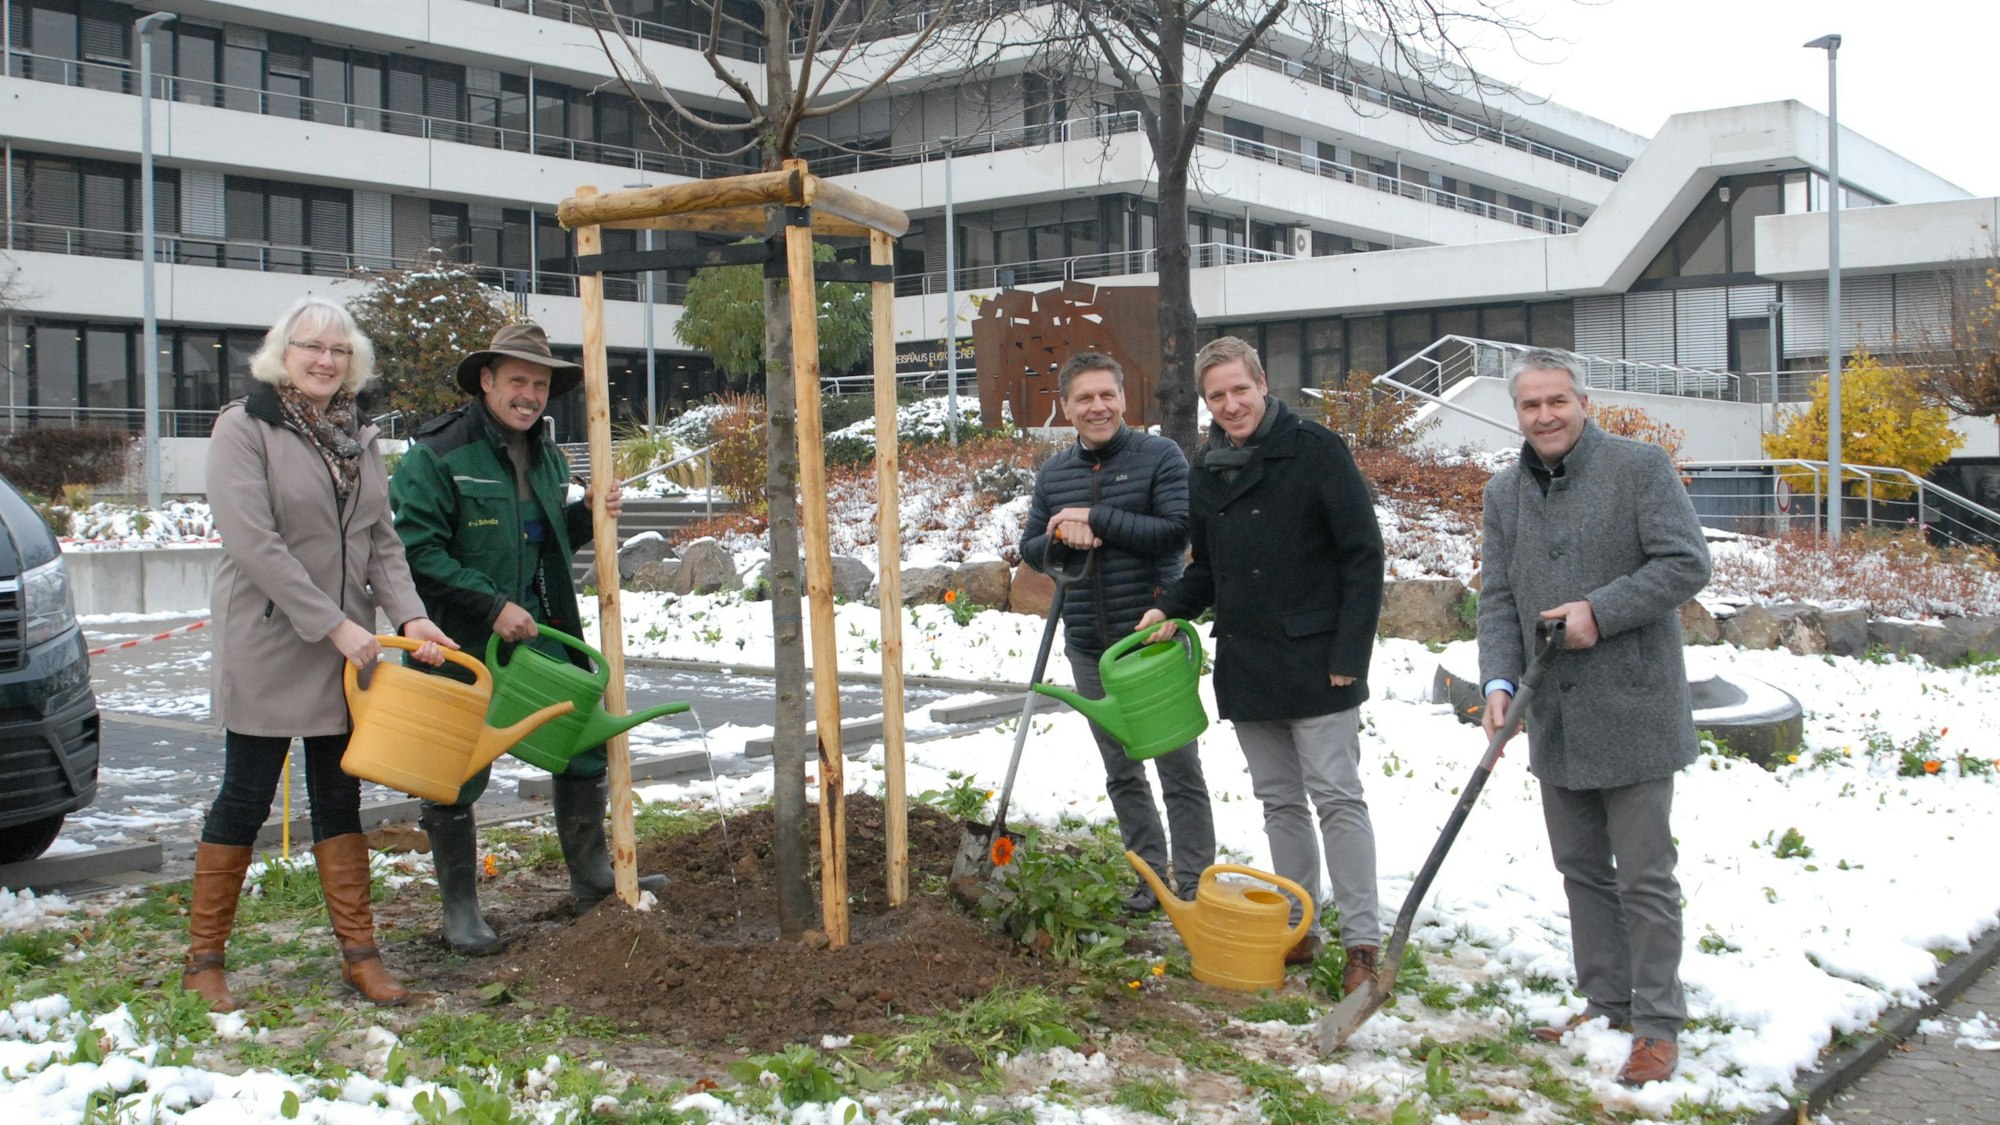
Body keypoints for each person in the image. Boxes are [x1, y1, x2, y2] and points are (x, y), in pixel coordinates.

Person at [189, 297, 457, 1012]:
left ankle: (361, 957)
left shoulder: (356, 437)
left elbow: (381, 542)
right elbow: (254, 544)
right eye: (311, 346)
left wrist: (412, 616)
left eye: (339, 350)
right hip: (271, 638)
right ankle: (203, 961)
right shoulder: (244, 427)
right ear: (283, 353)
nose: (325, 360)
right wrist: (334, 624)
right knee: (245, 796)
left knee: (340, 797)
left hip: (349, 648)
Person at [390, 323, 667, 955]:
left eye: (540, 385)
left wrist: (585, 515)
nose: (530, 396)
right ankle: (461, 911)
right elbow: (415, 551)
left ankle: (592, 878)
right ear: (487, 380)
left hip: (537, 635)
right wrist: (490, 606)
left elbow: (542, 541)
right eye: (518, 381)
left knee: (582, 746)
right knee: (456, 774)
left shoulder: (546, 455)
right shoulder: (438, 455)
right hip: (457, 644)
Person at [1476, 348, 1711, 1087]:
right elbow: (1496, 597)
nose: (1545, 415)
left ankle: (1657, 1023)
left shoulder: (1639, 468)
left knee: (1644, 875)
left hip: (1633, 705)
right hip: (1554, 709)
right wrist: (1499, 680)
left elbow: (1686, 563)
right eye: (1530, 404)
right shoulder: (1504, 492)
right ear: (1517, 413)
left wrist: (1599, 613)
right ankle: (1606, 1001)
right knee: (1580, 867)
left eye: (1557, 401)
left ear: (1583, 402)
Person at [1140, 335, 1387, 994]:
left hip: (1319, 657)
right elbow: (1208, 569)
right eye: (1216, 395)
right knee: (1279, 802)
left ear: (1262, 384)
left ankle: (1363, 942)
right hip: (1248, 659)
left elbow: (1363, 554)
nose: (1230, 404)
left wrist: (1350, 654)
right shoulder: (1207, 467)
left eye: (1239, 390)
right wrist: (1170, 608)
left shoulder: (1316, 450)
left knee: (1337, 798)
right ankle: (1298, 926)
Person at [1020, 351, 1215, 913]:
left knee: (1177, 766)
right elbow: (1031, 549)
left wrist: (1095, 518)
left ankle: (1195, 881)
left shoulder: (1160, 457)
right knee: (1122, 770)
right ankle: (1149, 877)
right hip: (1087, 642)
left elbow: (1176, 532)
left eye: (1107, 395)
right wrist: (1061, 536)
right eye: (1084, 398)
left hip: (1149, 640)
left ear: (1125, 399)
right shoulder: (1054, 473)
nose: (1098, 407)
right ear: (1065, 407)